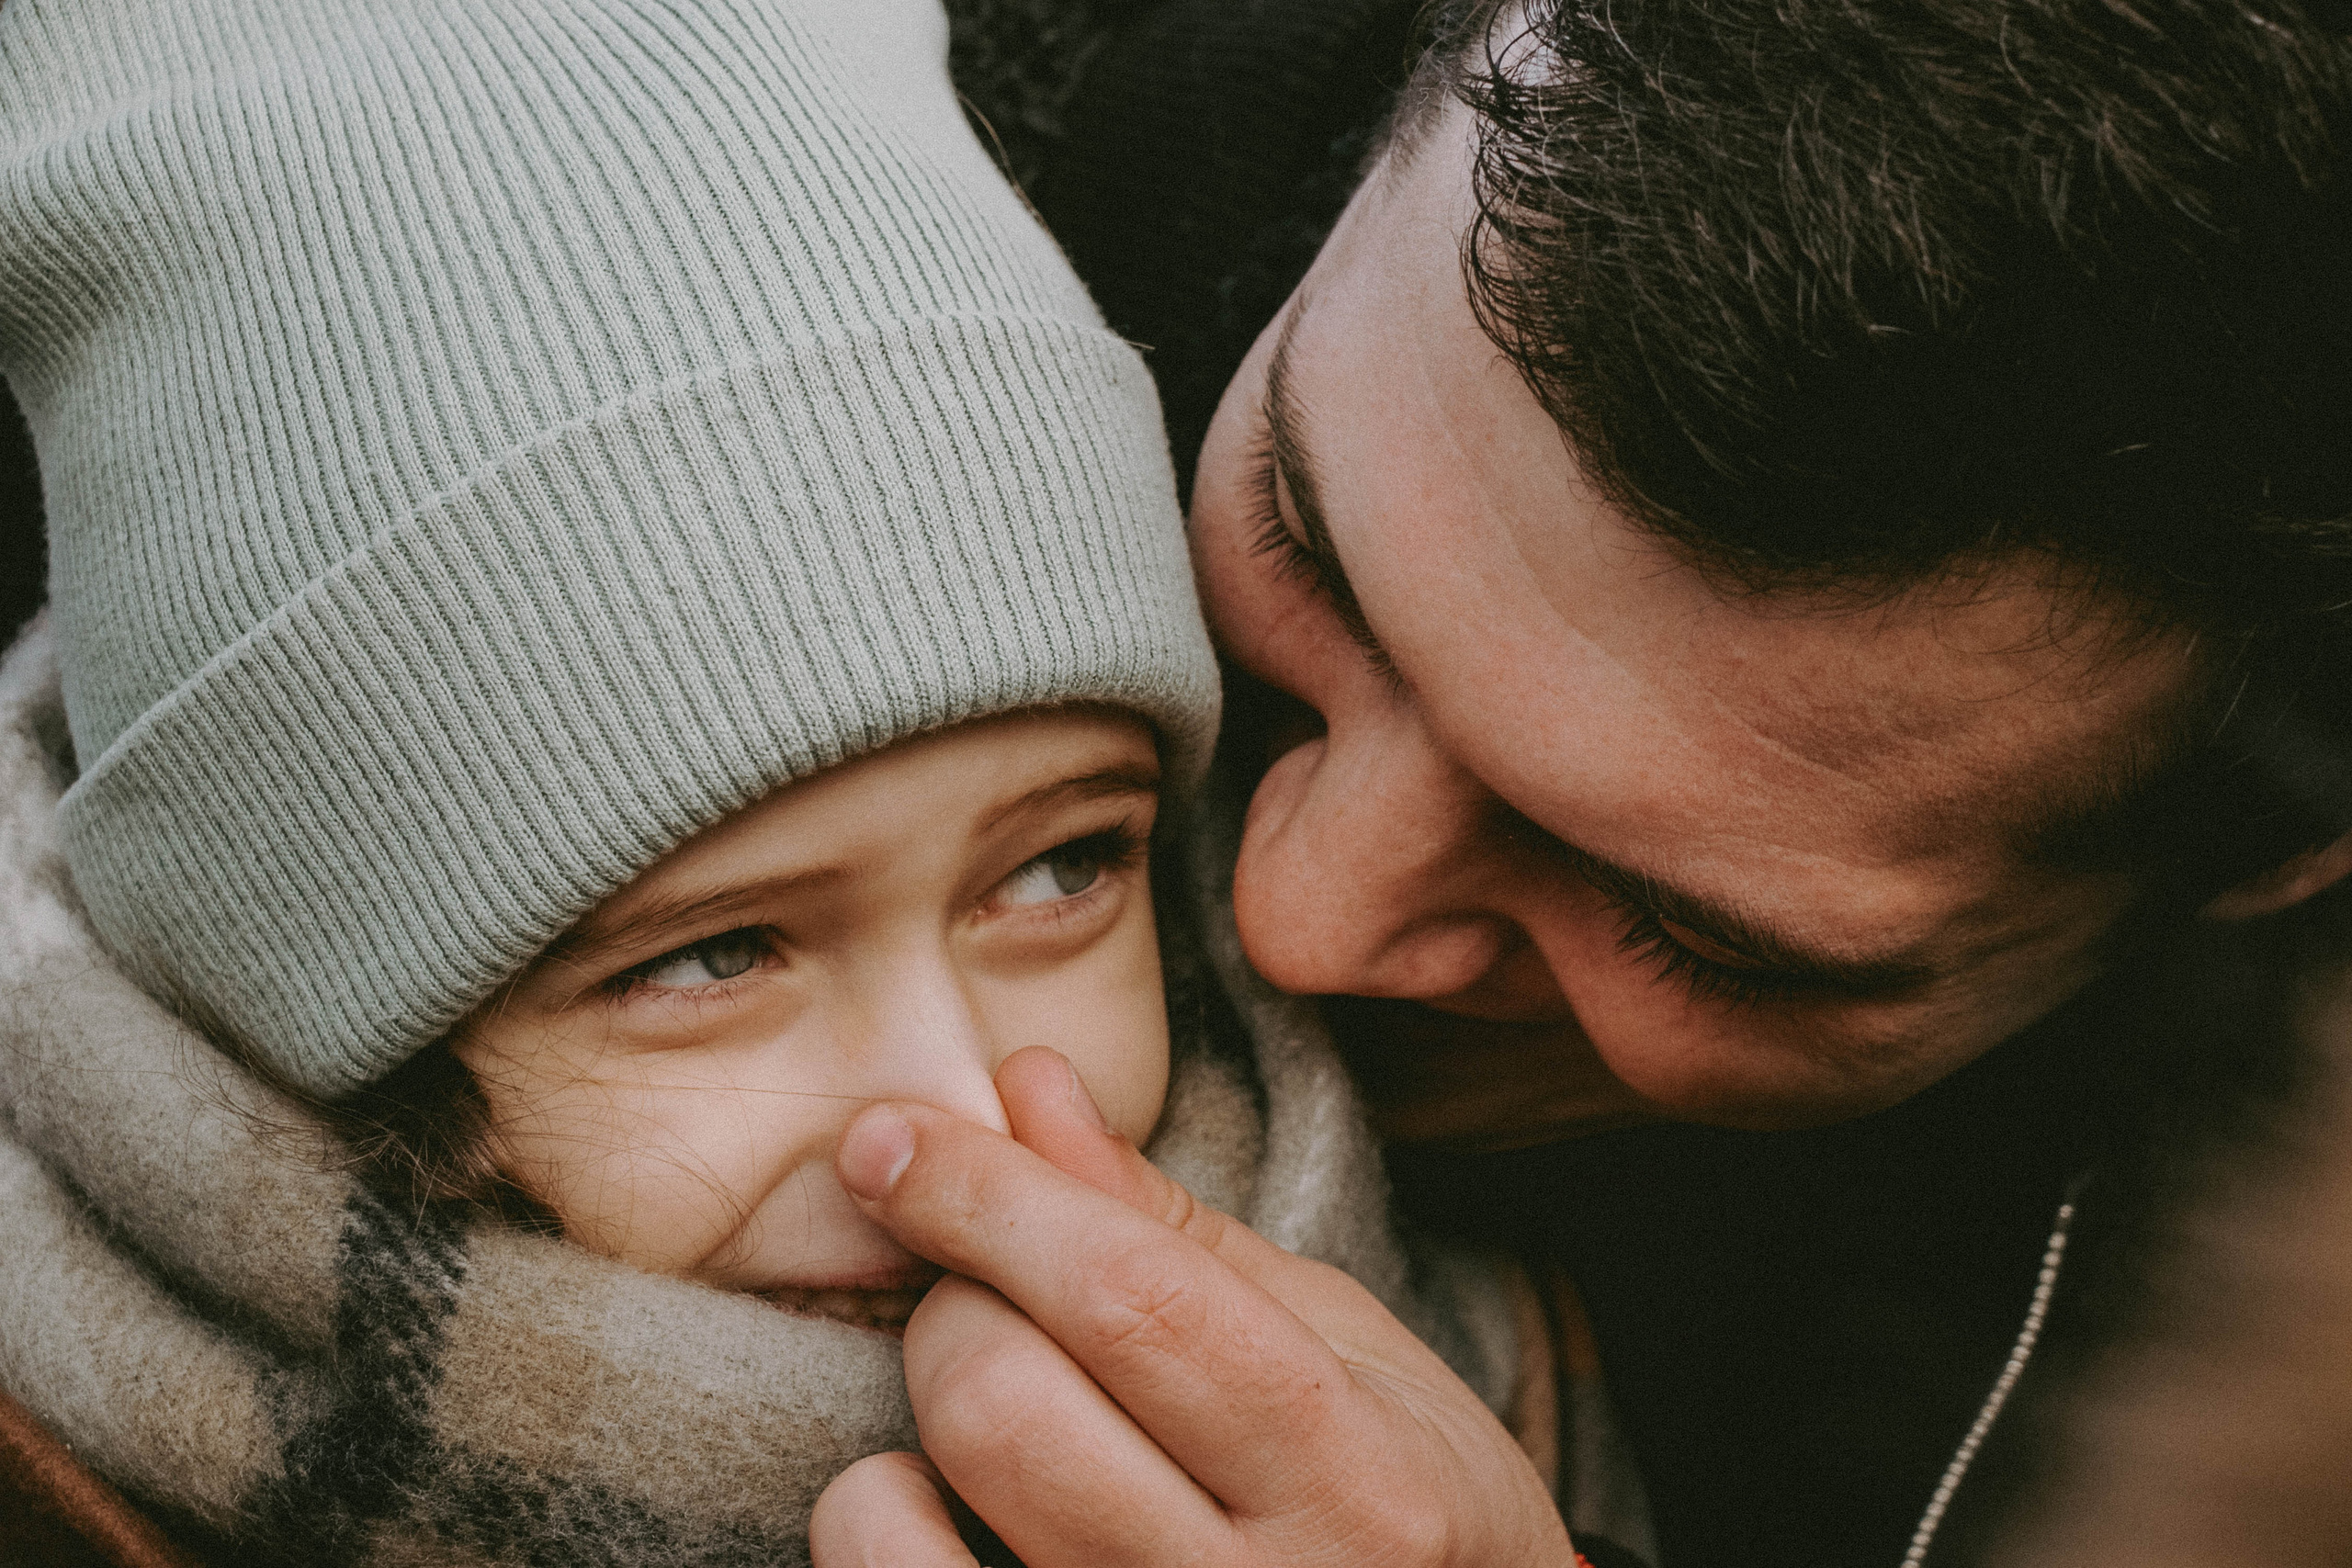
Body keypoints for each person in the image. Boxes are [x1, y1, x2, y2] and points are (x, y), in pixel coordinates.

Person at [802, 1, 2352, 1564]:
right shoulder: (832, 207)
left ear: (2289, 863)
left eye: (1686, 931)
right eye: (1306, 544)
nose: (1296, 917)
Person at [0, 0, 1538, 1560]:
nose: (962, 1115)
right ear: (275, 1011)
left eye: (1062, 867)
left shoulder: (1460, 1424)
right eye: (713, 954)